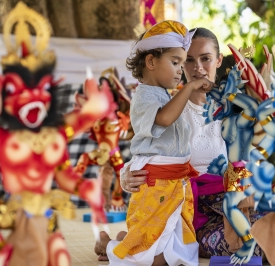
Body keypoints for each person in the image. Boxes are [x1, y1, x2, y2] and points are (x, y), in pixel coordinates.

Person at [95, 27, 265, 261]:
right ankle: (132, 244)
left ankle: (131, 241)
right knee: (256, 245)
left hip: (228, 202)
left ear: (218, 61)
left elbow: (253, 156)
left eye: (205, 59)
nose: (198, 68)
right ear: (182, 64)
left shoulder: (233, 109)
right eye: (190, 61)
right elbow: (147, 150)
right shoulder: (168, 107)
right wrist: (126, 174)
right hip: (187, 209)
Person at [95, 20, 214, 266]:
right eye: (177, 62)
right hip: (156, 183)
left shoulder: (165, 95)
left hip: (176, 185)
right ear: (151, 62)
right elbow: (164, 119)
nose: (183, 70)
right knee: (155, 257)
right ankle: (111, 245)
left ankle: (125, 240)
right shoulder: (146, 95)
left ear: (219, 60)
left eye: (183, 63)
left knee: (176, 250)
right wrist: (190, 86)